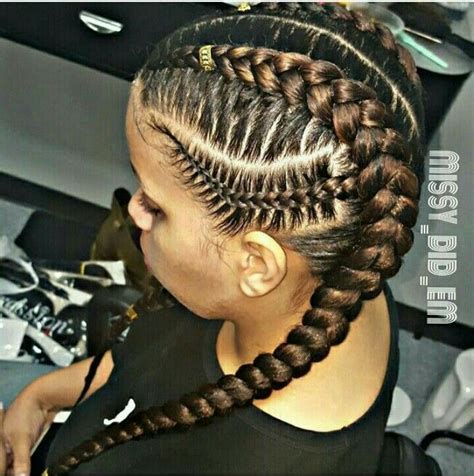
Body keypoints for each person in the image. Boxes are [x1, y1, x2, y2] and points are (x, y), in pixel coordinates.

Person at [0, 2, 426, 475]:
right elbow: (152, 362)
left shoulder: (239, 462)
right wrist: (41, 397)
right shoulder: (345, 264)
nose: (133, 211)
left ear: (256, 265)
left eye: (155, 206)